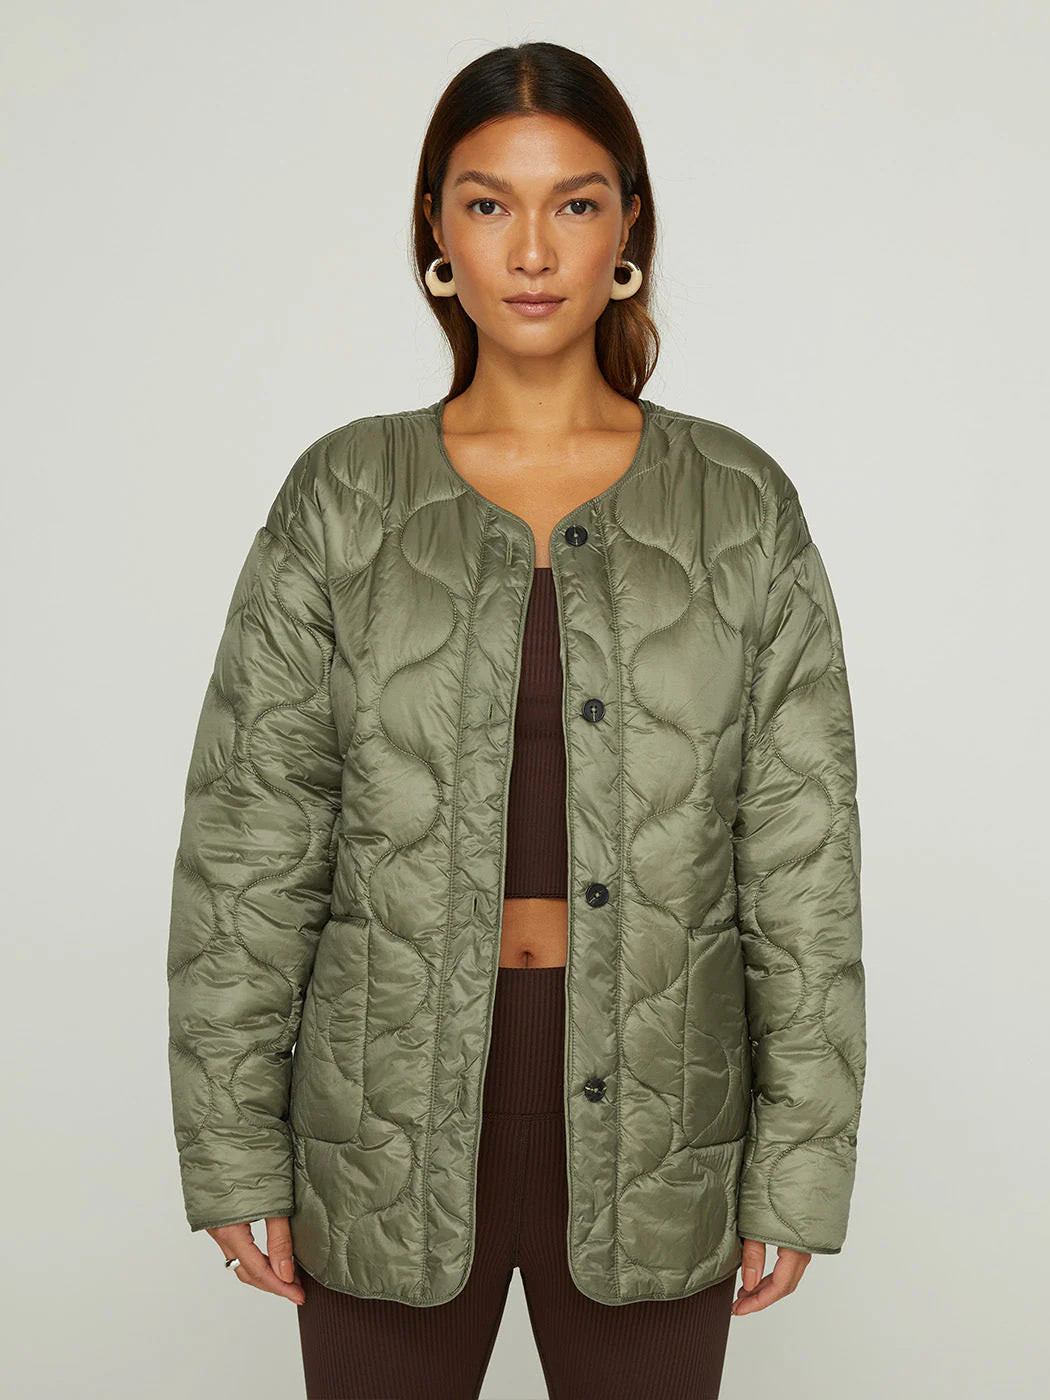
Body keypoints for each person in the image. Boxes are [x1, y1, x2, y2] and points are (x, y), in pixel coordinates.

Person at [166, 40, 867, 1400]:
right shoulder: (345, 498)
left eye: (575, 202)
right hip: (380, 1128)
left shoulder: (737, 507)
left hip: (663, 1132)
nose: (532, 249)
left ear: (629, 227)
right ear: (435, 229)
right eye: (489, 203)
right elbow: (251, 845)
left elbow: (802, 866)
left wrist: (797, 1164)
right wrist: (234, 1149)